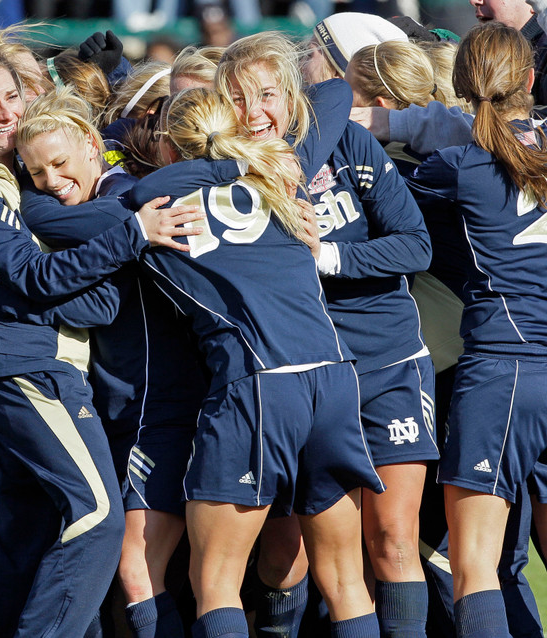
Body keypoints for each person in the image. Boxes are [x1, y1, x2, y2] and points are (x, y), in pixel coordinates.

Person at [0, 41, 202, 637]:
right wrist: (133, 232)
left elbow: (94, 302)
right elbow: (36, 276)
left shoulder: (22, 187)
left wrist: (1, 295)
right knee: (99, 519)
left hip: (40, 367)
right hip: (29, 370)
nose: (6, 114)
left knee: (20, 544)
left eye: (11, 97)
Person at [126, 86, 385, 638]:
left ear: (170, 146)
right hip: (335, 378)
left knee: (214, 578)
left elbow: (116, 203)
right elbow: (335, 92)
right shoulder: (274, 178)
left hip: (259, 383)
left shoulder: (159, 205)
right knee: (345, 577)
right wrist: (249, 155)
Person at [216, 31, 435, 637]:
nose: (255, 111)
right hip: (302, 382)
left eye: (266, 94)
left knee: (391, 541)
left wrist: (326, 257)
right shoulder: (223, 179)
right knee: (287, 557)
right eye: (237, 98)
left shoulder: (347, 142)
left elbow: (415, 244)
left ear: (290, 96)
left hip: (387, 362)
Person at [11, 86, 209, 638]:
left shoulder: (125, 196)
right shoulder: (105, 212)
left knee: (136, 568)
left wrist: (9, 283)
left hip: (161, 406)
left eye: (59, 163)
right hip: (119, 407)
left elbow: (104, 296)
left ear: (93, 148)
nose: (50, 181)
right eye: (34, 172)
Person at [406, 21, 547, 637]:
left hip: (503, 371)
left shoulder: (455, 166)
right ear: (532, 78)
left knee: (474, 567)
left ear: (461, 86)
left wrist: (394, 122)